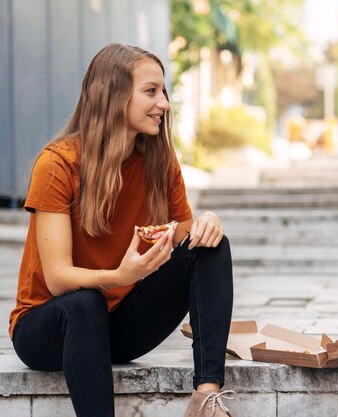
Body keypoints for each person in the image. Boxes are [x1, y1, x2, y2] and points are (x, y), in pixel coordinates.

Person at [9, 43, 235, 417]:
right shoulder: (58, 164)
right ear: (112, 96)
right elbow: (57, 279)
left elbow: (185, 234)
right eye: (151, 91)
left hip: (118, 329)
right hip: (49, 328)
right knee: (85, 301)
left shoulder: (159, 159)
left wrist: (206, 222)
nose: (163, 102)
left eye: (163, 91)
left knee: (212, 247)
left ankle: (206, 398)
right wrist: (120, 276)